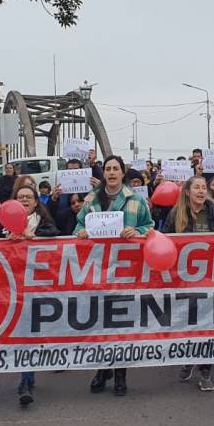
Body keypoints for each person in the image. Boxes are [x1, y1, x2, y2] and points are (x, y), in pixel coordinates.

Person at [75, 155, 154, 396]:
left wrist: (137, 230)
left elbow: (150, 226)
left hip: (126, 271)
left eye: (115, 169)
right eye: (107, 169)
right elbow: (77, 226)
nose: (111, 173)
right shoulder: (90, 200)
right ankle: (102, 369)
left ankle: (120, 372)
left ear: (122, 173)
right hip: (98, 270)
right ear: (104, 174)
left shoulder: (136, 199)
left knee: (121, 322)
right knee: (100, 322)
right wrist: (82, 233)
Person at [163, 177, 214, 391]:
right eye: (197, 187)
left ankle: (205, 371)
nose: (201, 191)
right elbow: (166, 240)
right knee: (187, 323)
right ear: (187, 192)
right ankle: (188, 359)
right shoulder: (176, 214)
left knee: (207, 325)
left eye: (204, 188)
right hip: (184, 281)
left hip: (211, 280)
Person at [0, 184, 59, 405]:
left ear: (36, 201)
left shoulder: (43, 221)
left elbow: (55, 234)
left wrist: (35, 235)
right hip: (11, 286)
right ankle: (25, 377)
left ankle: (34, 374)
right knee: (21, 333)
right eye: (20, 197)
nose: (24, 201)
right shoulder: (3, 221)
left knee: (33, 332)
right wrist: (7, 238)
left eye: (29, 197)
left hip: (38, 286)